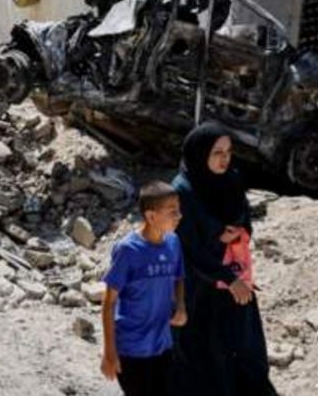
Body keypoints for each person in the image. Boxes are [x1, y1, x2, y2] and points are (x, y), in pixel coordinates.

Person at [172, 122, 277, 396]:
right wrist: (217, 239)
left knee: (245, 350)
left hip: (235, 282)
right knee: (206, 358)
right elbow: (188, 250)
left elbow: (245, 219)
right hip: (201, 289)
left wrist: (239, 231)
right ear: (200, 152)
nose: (224, 158)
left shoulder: (231, 180)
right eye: (216, 152)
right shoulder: (182, 192)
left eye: (228, 151)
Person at [101, 181, 187, 396]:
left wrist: (181, 306)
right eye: (172, 212)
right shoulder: (128, 250)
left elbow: (179, 277)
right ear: (151, 216)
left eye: (179, 210)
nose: (179, 216)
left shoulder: (173, 243)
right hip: (131, 349)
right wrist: (110, 352)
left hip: (162, 346)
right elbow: (109, 302)